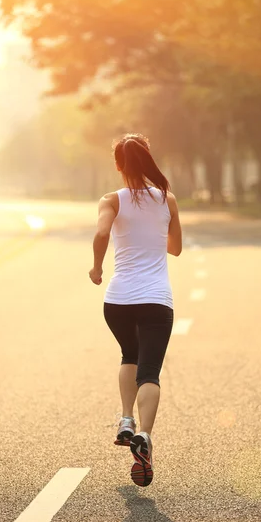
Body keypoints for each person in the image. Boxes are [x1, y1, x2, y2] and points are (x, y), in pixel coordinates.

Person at [89, 133, 182, 487]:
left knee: (129, 354)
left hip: (118, 300)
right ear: (147, 161)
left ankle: (126, 419)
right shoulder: (167, 200)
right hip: (156, 299)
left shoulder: (111, 200)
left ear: (118, 165)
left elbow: (101, 234)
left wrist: (97, 267)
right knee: (150, 372)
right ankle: (144, 435)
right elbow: (175, 249)